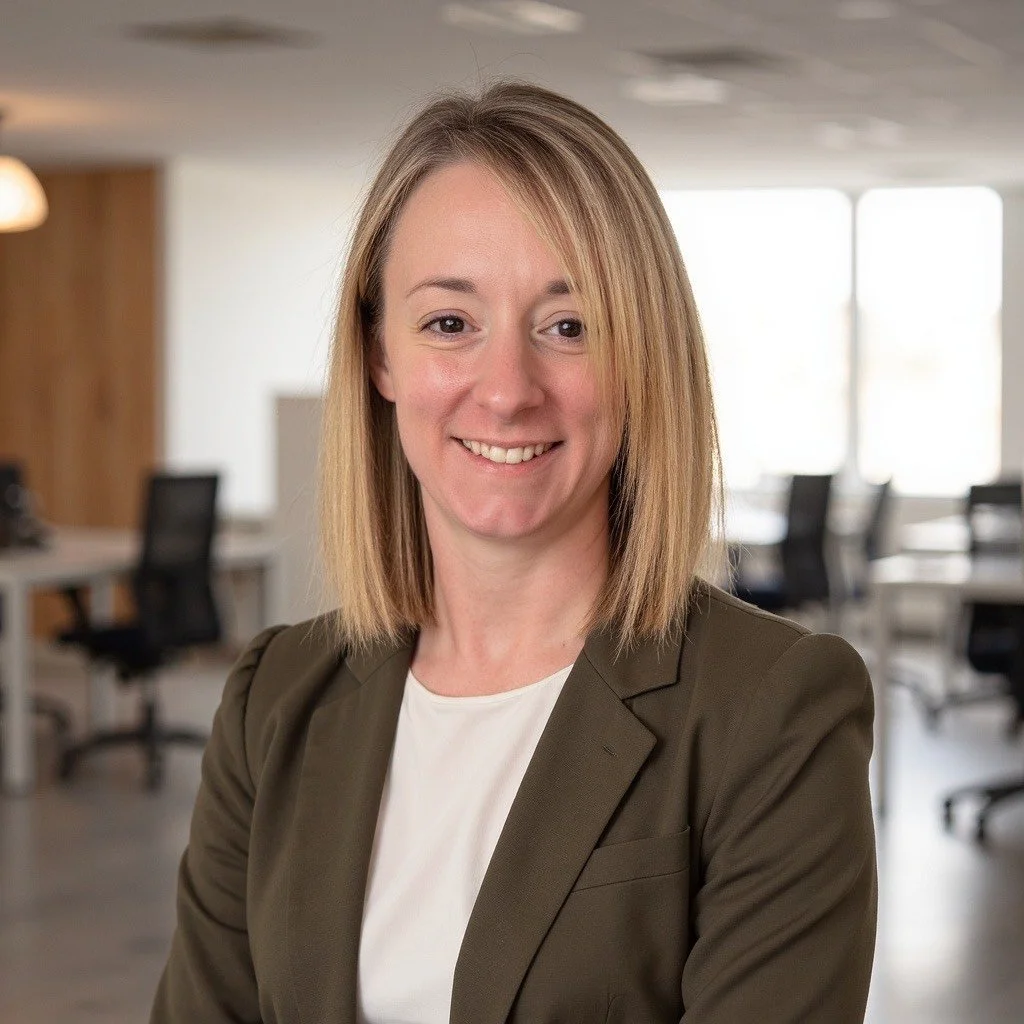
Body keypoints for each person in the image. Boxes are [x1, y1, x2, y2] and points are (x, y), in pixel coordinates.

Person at [151, 82, 876, 1024]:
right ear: (380, 356)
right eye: (450, 323)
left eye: (569, 327)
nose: (507, 390)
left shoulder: (771, 708)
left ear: (642, 356)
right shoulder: (278, 694)